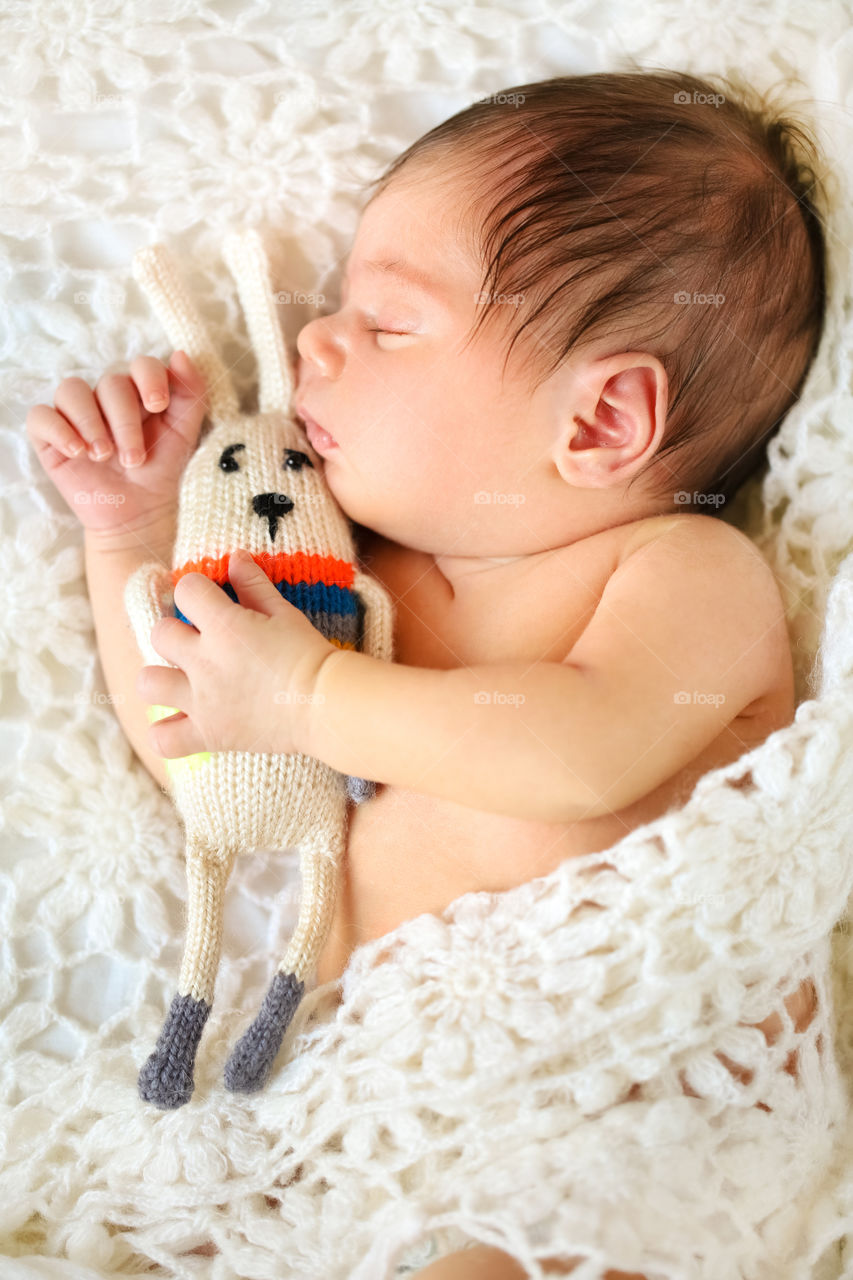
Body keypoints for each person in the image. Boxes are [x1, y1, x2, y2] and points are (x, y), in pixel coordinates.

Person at [25, 68, 825, 1279]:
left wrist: (305, 693)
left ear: (602, 422)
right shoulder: (351, 573)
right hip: (386, 1104)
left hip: (639, 1090)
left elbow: (576, 748)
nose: (315, 341)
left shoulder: (681, 570)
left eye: (390, 322)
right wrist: (130, 530)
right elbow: (210, 755)